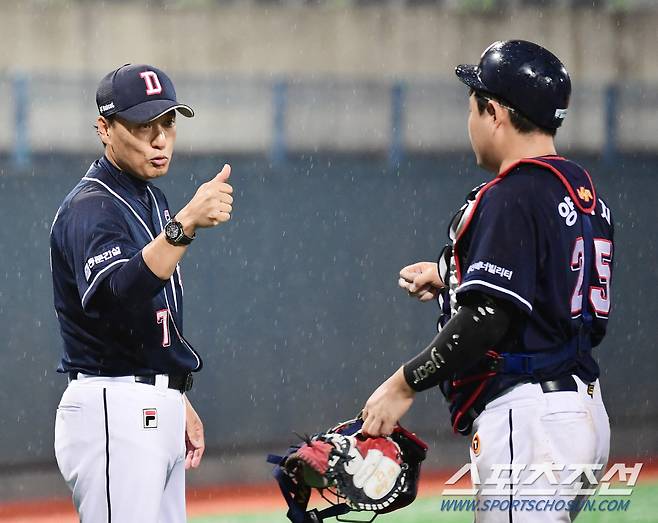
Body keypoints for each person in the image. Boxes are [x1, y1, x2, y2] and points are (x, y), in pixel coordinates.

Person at [362, 40, 614, 521]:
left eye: (474, 105)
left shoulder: (512, 193)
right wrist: (450, 275)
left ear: (494, 112)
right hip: (582, 411)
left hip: (532, 417)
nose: (470, 119)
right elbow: (551, 282)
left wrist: (403, 384)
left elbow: (485, 319)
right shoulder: (582, 191)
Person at [50, 64, 234, 522]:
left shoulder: (150, 200)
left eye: (167, 123)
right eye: (140, 126)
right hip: (114, 407)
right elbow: (115, 296)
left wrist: (174, 394)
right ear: (104, 130)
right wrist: (186, 224)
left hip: (147, 405)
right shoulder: (92, 206)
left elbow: (149, 313)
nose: (159, 139)